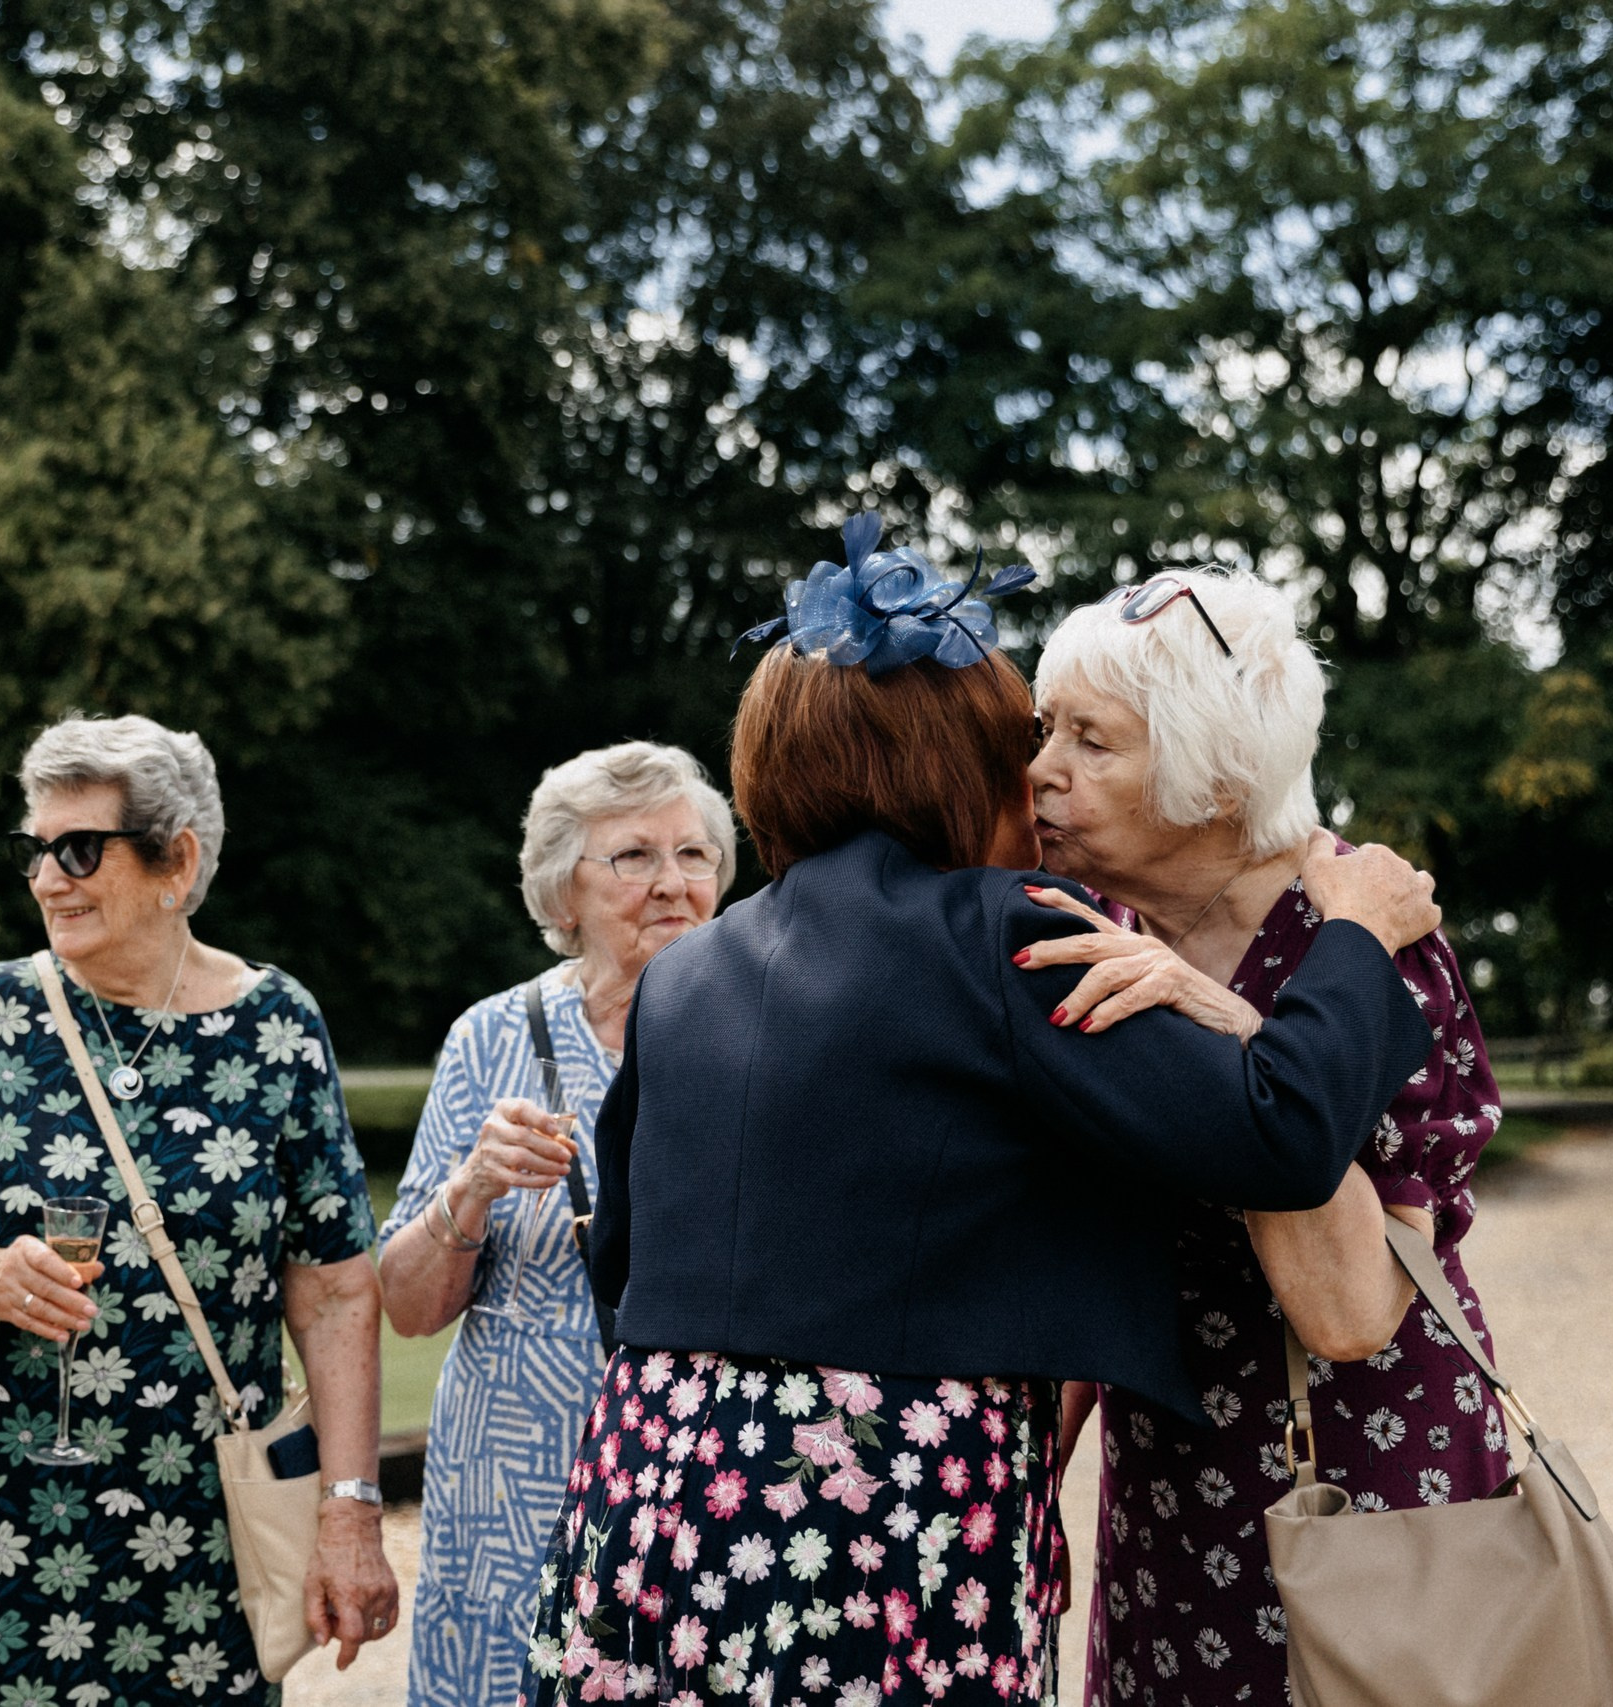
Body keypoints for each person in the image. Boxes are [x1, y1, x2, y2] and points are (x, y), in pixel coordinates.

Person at [527, 516, 1445, 1706]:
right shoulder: (1006, 932)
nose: (1037, 775)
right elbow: (1276, 1135)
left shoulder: (691, 969)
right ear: (950, 764)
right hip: (870, 1507)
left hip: (647, 1483)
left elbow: (622, 1257)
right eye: (1016, 741)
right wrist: (1361, 938)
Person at [1019, 569, 1512, 1706]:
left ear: (1214, 775)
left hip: (1365, 1479)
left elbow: (1350, 1315)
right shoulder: (1107, 933)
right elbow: (1095, 1240)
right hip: (1172, 1493)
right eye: (1047, 731)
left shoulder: (1365, 934)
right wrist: (1027, 1487)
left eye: (1091, 743)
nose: (1041, 768)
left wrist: (1231, 1031)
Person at [0, 712, 398, 1704]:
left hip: (195, 1554)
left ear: (174, 861)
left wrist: (349, 1512)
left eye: (77, 849)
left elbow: (334, 1298)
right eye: (34, 850)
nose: (46, 877)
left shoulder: (276, 1031)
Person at [381, 741, 735, 1707]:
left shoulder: (765, 1032)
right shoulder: (489, 1039)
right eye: (634, 857)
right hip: (508, 1477)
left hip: (696, 1470)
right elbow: (407, 1308)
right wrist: (472, 1188)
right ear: (561, 893)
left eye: (695, 855)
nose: (673, 883)